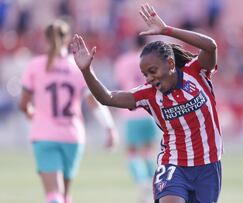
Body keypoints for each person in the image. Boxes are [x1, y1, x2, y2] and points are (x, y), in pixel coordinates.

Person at [70, 4, 223, 203]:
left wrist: (167, 30)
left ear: (170, 64)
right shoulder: (148, 95)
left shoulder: (196, 73)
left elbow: (210, 46)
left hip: (208, 167)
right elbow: (107, 97)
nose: (149, 78)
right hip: (173, 165)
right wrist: (86, 71)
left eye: (153, 71)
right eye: (145, 74)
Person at [19, 19, 118, 203]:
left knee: (54, 194)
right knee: (64, 195)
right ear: (67, 40)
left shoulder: (35, 65)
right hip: (72, 135)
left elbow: (23, 103)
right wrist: (110, 128)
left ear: (45, 39)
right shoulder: (77, 67)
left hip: (44, 134)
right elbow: (94, 102)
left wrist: (30, 112)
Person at [114, 35, 159, 203]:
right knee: (149, 151)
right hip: (151, 111)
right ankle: (155, 185)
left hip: (131, 111)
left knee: (132, 152)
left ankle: (142, 182)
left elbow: (120, 84)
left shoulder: (123, 61)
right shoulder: (152, 60)